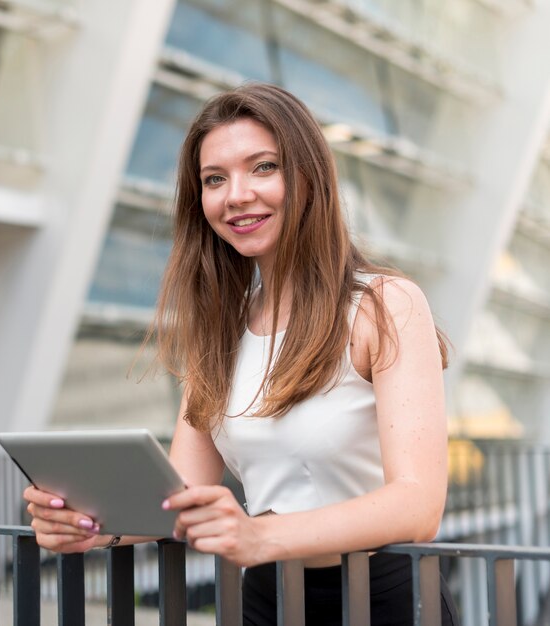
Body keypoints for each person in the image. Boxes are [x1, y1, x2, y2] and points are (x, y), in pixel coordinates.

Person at [24, 83, 459, 625]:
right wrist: (89, 526)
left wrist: (260, 533)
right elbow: (182, 492)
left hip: (385, 601)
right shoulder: (221, 326)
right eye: (214, 179)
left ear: (307, 176)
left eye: (263, 168)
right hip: (267, 599)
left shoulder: (385, 305)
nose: (235, 196)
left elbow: (418, 506)